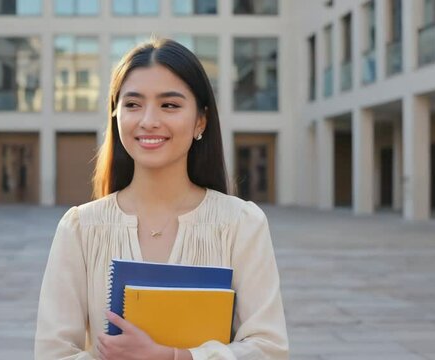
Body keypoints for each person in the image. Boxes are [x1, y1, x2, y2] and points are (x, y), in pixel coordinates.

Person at [35, 38, 288, 360]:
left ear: (201, 120)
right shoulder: (81, 227)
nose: (149, 120)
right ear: (115, 115)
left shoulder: (241, 223)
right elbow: (53, 353)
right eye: (133, 104)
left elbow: (269, 349)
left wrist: (174, 356)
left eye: (169, 105)